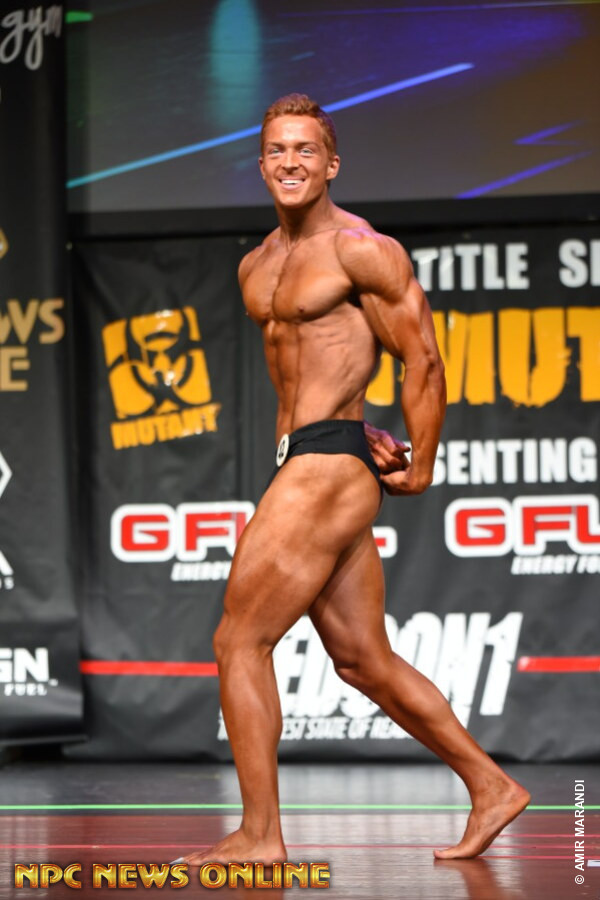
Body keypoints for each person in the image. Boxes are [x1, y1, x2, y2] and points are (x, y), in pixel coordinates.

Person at [181, 93, 529, 865]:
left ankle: (260, 836)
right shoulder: (256, 265)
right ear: (261, 164)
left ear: (331, 163)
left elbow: (422, 359)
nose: (291, 162)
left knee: (239, 639)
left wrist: (422, 461)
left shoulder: (361, 250)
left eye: (306, 149)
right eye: (277, 150)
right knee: (362, 660)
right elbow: (312, 368)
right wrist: (340, 424)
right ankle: (491, 785)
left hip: (326, 472)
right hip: (311, 453)